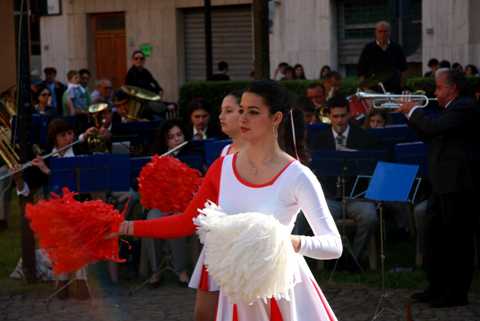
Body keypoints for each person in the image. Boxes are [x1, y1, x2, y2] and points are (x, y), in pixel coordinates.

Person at [115, 80, 342, 321]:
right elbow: (185, 222)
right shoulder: (222, 168)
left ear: (276, 118)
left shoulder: (298, 175)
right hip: (235, 293)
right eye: (241, 110)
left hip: (281, 290)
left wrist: (286, 241)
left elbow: (333, 246)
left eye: (253, 112)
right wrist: (125, 227)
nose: (243, 119)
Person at [398, 69, 480, 308]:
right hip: (442, 185)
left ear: (452, 88)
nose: (435, 93)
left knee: (457, 242)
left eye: (439, 88)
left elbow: (434, 128)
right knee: (435, 239)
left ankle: (456, 293)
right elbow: (428, 134)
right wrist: (409, 115)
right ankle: (436, 286)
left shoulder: (464, 107)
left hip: (458, 186)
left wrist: (413, 110)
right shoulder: (451, 108)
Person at [14, 119, 95, 300]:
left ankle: (80, 279)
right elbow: (26, 190)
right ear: (54, 139)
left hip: (82, 206)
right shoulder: (47, 158)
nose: (68, 138)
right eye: (62, 135)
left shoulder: (81, 152)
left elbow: (85, 181)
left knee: (77, 227)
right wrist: (19, 178)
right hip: (57, 210)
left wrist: (49, 172)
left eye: (70, 134)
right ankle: (65, 278)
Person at [309, 95, 380, 266]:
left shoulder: (364, 138)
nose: (339, 120)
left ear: (349, 115)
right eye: (335, 116)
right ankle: (333, 257)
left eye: (343, 116)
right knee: (319, 218)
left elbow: (372, 169)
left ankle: (353, 259)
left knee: (370, 216)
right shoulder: (319, 140)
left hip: (357, 197)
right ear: (329, 117)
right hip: (331, 197)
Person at [143, 120, 191, 286]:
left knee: (177, 222)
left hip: (185, 206)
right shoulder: (159, 159)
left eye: (179, 135)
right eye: (171, 137)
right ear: (166, 142)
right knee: (151, 221)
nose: (176, 140)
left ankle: (181, 270)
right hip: (162, 205)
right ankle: (156, 270)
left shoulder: (192, 156)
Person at [357, 21, 407, 93]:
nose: (383, 34)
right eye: (380, 31)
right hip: (372, 89)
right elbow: (361, 69)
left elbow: (404, 69)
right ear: (376, 32)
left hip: (393, 89)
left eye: (385, 31)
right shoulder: (369, 48)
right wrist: (364, 88)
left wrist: (402, 86)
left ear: (389, 32)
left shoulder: (396, 48)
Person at [218, 90, 246, 156]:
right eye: (221, 111)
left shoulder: (257, 153)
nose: (221, 116)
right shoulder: (225, 150)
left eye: (228, 111)